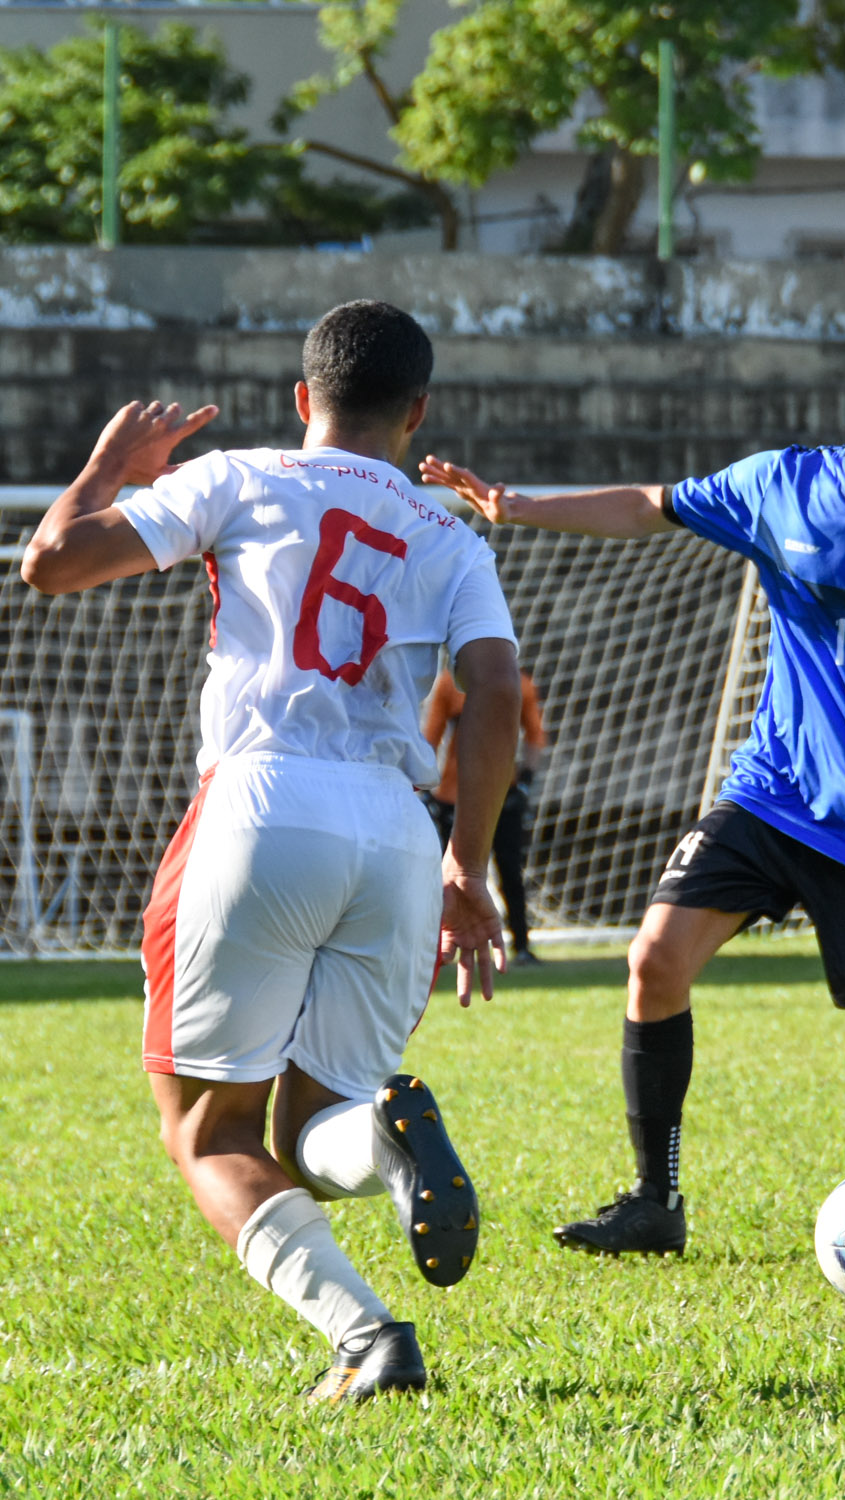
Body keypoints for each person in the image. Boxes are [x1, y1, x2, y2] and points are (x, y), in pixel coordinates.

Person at [420, 309, 845, 1259]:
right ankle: (655, 1202)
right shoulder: (781, 485)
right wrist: (517, 504)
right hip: (771, 792)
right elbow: (649, 504)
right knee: (654, 962)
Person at [20, 300, 523, 1399]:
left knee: (208, 1133)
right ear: (417, 411)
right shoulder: (450, 535)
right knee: (307, 1131)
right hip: (394, 830)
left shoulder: (240, 477)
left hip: (258, 804)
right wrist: (466, 869)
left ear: (305, 399)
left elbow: (50, 566)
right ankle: (384, 1148)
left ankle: (367, 1340)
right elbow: (492, 698)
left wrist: (111, 463)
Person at [424, 666, 548, 964]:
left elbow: (535, 737)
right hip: (454, 795)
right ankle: (432, 944)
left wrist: (525, 782)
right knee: (439, 875)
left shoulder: (519, 684)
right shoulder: (447, 685)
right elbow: (431, 736)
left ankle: (520, 944)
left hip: (499, 795)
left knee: (510, 871)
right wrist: (426, 789)